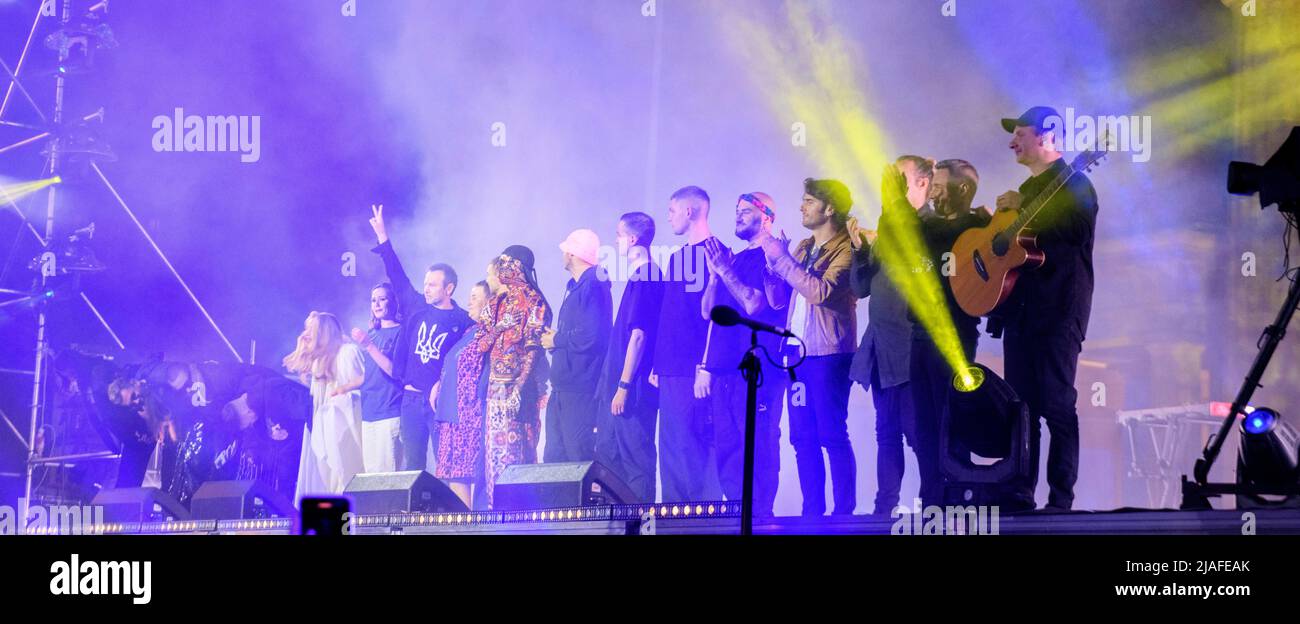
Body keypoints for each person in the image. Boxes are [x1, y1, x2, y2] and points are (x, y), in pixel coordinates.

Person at [997, 106, 1099, 511]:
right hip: (1020, 311)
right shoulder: (1023, 194)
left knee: (1056, 403)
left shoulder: (1076, 183)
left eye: (1019, 134)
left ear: (1045, 137)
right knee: (1020, 407)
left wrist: (1025, 216)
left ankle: (1060, 499)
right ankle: (1020, 491)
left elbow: (1075, 231)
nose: (1012, 142)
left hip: (1058, 311)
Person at [762, 178, 859, 516]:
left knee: (832, 432)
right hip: (795, 353)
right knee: (802, 437)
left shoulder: (847, 248)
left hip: (829, 353)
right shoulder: (803, 246)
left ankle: (844, 512)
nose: (801, 207)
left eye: (808, 201)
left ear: (829, 208)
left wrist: (784, 261)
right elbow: (779, 299)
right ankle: (811, 511)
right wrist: (773, 266)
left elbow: (820, 292)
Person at [848, 155, 932, 516]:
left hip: (911, 347)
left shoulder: (929, 227)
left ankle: (936, 505)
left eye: (899, 181)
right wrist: (859, 252)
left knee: (919, 434)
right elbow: (862, 287)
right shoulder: (888, 229)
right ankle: (884, 509)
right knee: (886, 433)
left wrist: (893, 208)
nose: (890, 189)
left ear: (922, 184)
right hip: (881, 347)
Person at [699, 192, 791, 517]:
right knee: (727, 445)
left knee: (758, 442)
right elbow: (709, 312)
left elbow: (755, 305)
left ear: (766, 216)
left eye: (746, 211)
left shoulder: (774, 257)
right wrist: (714, 275)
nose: (737, 216)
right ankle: (735, 513)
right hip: (725, 369)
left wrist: (725, 271)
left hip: (758, 369)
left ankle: (761, 515)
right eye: (736, 210)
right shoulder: (733, 260)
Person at [907, 159, 992, 506]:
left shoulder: (980, 228)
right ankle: (931, 494)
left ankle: (960, 493)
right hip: (918, 334)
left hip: (957, 336)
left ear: (964, 190)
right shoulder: (927, 227)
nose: (934, 194)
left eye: (940, 187)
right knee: (922, 422)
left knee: (952, 416)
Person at [442, 248, 550, 508]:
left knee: (520, 452)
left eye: (505, 264)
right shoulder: (495, 304)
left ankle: (521, 516)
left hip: (520, 391)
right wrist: (501, 326)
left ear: (516, 266)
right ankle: (495, 513)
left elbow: (533, 349)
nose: (501, 270)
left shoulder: (535, 301)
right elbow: (481, 344)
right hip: (494, 390)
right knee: (494, 455)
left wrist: (519, 389)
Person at [368, 205, 472, 472]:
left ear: (448, 288)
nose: (426, 288)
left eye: (433, 284)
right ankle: (414, 513)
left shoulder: (462, 321)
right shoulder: (416, 308)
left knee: (444, 463)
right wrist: (382, 237)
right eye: (425, 283)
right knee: (413, 465)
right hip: (410, 401)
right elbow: (397, 276)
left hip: (438, 402)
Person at [652, 186, 723, 503]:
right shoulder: (677, 257)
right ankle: (672, 518)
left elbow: (716, 319)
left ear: (690, 211)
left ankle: (703, 520)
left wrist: (705, 366)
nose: (668, 217)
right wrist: (658, 362)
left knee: (694, 447)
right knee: (671, 447)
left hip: (694, 369)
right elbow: (670, 314)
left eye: (672, 210)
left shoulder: (718, 253)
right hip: (669, 368)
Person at [596, 212, 665, 503]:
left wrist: (623, 386)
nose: (616, 240)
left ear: (633, 238)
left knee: (636, 461)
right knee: (614, 463)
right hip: (621, 388)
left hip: (633, 391)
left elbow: (639, 335)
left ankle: (640, 524)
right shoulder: (640, 277)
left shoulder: (647, 276)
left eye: (619, 234)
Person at [541, 229, 612, 463]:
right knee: (555, 457)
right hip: (563, 387)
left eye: (565, 251)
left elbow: (592, 335)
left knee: (577, 459)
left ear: (572, 254)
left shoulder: (594, 285)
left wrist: (558, 340)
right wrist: (558, 343)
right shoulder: (577, 286)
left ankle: (581, 501)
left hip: (579, 389)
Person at [285, 311, 366, 499]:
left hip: (345, 423)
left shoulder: (348, 352)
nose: (305, 333)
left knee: (344, 471)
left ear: (323, 331)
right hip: (323, 425)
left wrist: (340, 397)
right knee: (326, 475)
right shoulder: (318, 360)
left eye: (310, 329)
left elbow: (363, 386)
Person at [432, 279, 491, 508]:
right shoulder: (470, 331)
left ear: (489, 301)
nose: (469, 301)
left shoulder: (488, 333)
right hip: (451, 415)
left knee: (468, 472)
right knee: (455, 474)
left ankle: (473, 526)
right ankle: (463, 526)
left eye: (475, 297)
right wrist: (439, 383)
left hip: (469, 414)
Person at [351, 282, 404, 473]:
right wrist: (340, 388)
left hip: (389, 410)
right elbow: (369, 374)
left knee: (388, 475)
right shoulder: (372, 334)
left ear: (393, 302)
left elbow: (394, 371)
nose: (377, 304)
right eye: (373, 300)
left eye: (382, 299)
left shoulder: (401, 332)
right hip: (369, 411)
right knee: (372, 474)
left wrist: (368, 345)